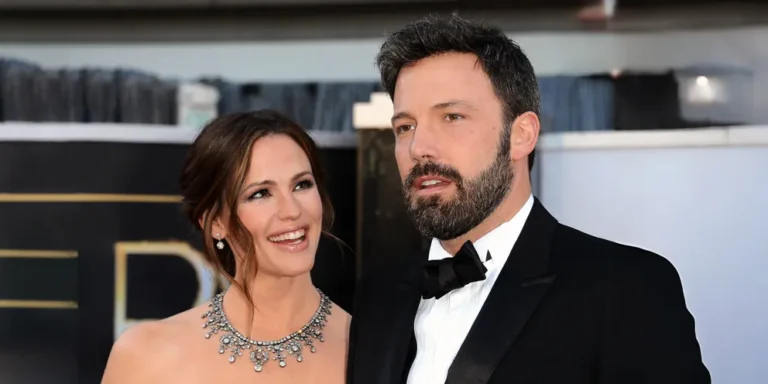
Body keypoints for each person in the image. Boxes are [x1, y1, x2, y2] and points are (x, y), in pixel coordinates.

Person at [347, 14, 710, 384]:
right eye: (405, 127)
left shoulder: (626, 289)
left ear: (521, 135)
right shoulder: (376, 298)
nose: (419, 147)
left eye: (452, 117)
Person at [102, 111, 350, 383]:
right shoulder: (146, 356)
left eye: (302, 184)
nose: (292, 211)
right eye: (260, 194)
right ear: (215, 222)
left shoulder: (372, 351)